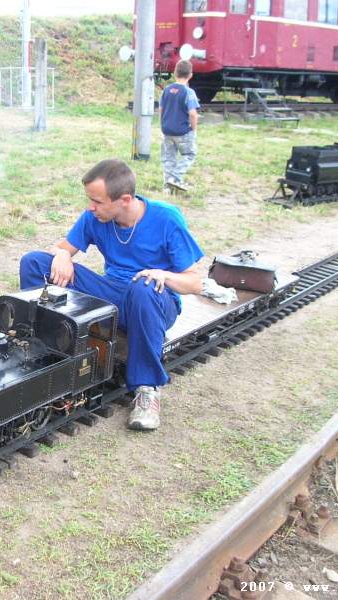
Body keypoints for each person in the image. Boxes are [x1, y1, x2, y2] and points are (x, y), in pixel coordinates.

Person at [19, 159, 203, 431]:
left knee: (143, 287)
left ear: (125, 200)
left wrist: (164, 275)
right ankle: (46, 348)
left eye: (97, 201)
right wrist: (62, 255)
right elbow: (62, 247)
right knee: (34, 262)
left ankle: (146, 389)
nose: (90, 207)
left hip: (154, 301)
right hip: (112, 294)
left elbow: (195, 283)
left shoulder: (166, 219)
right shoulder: (95, 217)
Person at [160, 59, 200, 192]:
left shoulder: (166, 90)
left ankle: (167, 187)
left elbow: (161, 110)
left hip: (167, 130)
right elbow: (193, 114)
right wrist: (193, 129)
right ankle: (175, 177)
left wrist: (162, 125)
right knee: (190, 154)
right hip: (182, 131)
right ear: (190, 75)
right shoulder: (189, 92)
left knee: (168, 159)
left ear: (174, 73)